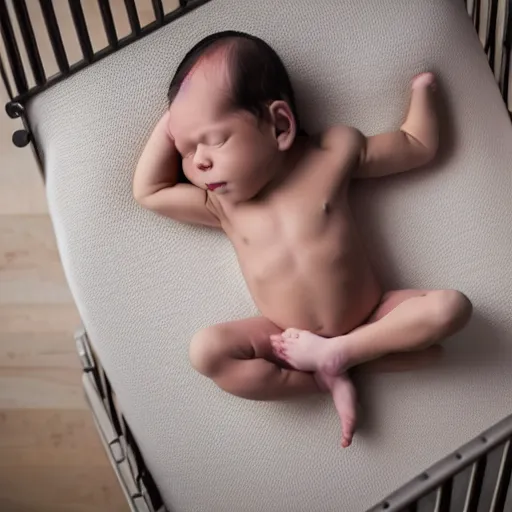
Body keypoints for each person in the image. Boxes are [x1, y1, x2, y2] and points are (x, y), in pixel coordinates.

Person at [133, 31, 472, 448]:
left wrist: (424, 93)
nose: (199, 161)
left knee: (451, 308)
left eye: (215, 139)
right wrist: (174, 122)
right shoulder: (221, 205)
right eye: (186, 150)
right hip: (288, 341)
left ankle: (345, 354)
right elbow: (149, 192)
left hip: (373, 315)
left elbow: (416, 145)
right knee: (206, 352)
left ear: (279, 125)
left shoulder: (332, 155)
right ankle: (332, 373)